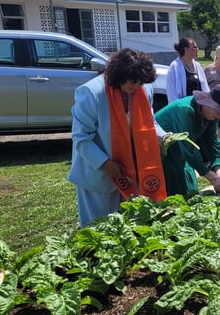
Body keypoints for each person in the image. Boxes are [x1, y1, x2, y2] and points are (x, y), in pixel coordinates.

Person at [68, 48, 166, 227]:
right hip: (98, 174)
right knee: (98, 228)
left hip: (131, 171)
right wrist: (105, 164)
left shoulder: (144, 89)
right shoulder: (91, 93)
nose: (136, 87)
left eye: (140, 82)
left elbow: (150, 122)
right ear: (120, 74)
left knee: (129, 226)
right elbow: (81, 139)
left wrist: (164, 136)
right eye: (133, 81)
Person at [155, 84, 220, 197]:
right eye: (219, 111)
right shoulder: (185, 110)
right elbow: (188, 147)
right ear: (208, 103)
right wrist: (210, 176)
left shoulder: (211, 115)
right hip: (160, 156)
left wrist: (218, 169)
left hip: (179, 156)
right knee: (171, 199)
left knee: (189, 194)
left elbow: (212, 141)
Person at [166, 37, 209, 102]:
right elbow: (171, 92)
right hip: (183, 108)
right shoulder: (174, 67)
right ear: (186, 49)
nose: (198, 49)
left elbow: (205, 88)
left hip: (199, 107)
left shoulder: (198, 66)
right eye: (195, 47)